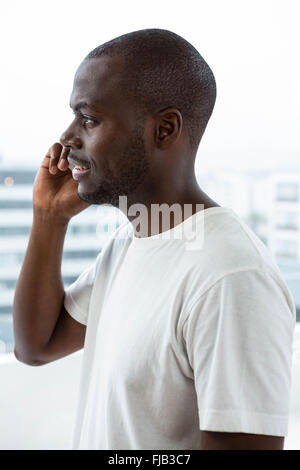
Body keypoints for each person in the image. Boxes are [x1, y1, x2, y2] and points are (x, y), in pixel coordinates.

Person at [13, 28, 296, 450]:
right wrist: (49, 218)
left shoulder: (231, 276)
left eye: (88, 119)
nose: (68, 137)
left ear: (164, 130)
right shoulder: (130, 243)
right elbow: (36, 346)